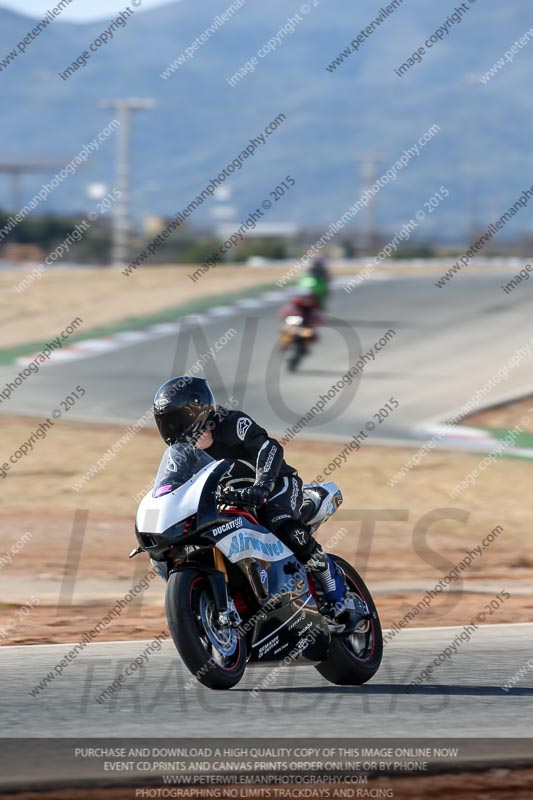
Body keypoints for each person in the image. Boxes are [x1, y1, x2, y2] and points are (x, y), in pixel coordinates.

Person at [153, 376, 363, 631]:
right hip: (230, 500)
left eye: (178, 419)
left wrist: (262, 485)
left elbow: (269, 448)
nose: (174, 429)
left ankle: (335, 592)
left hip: (276, 485)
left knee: (279, 521)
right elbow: (171, 488)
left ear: (198, 410)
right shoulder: (182, 455)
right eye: (167, 422)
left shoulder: (231, 423)